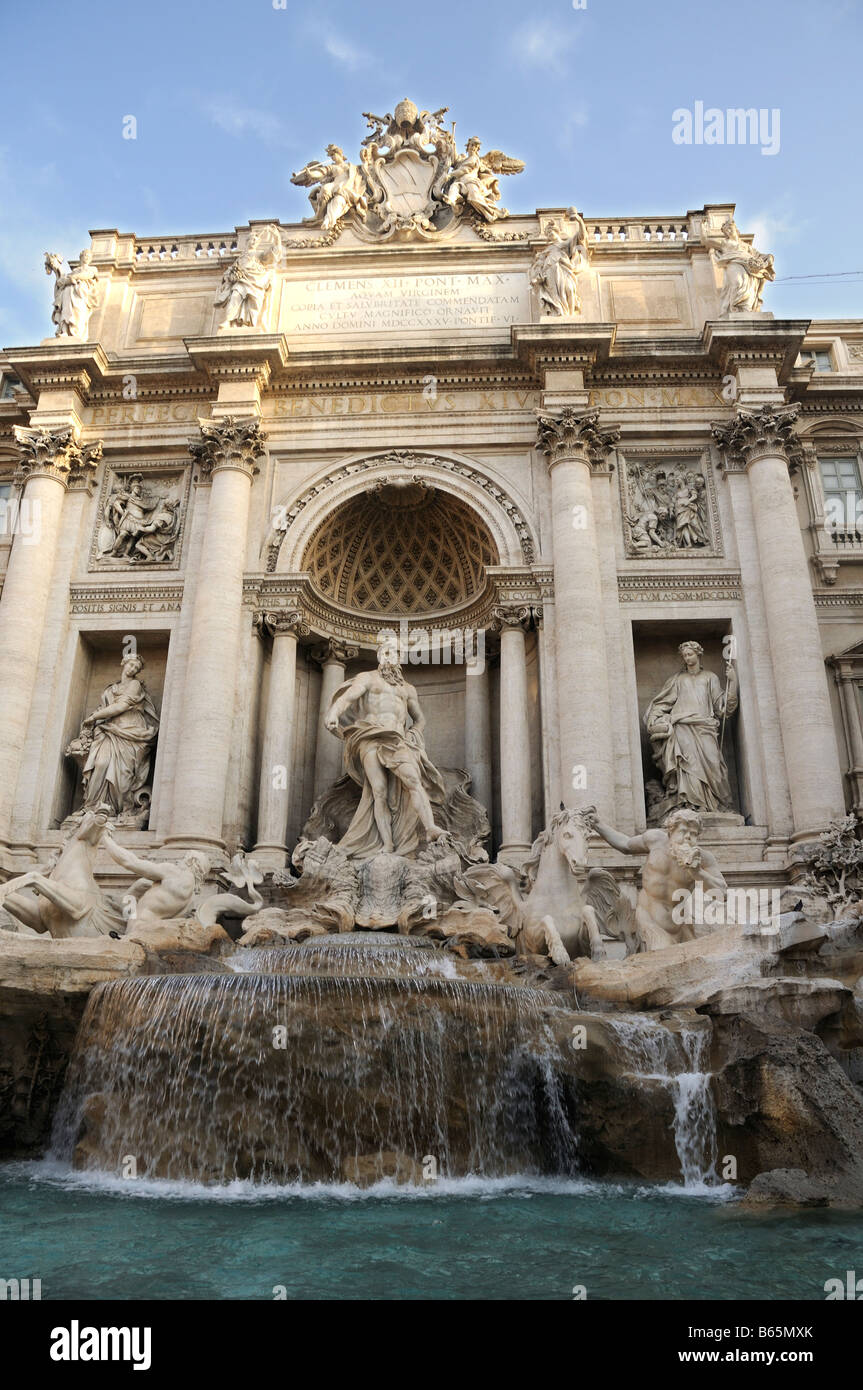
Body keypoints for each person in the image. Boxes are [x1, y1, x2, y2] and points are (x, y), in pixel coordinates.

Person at [324, 645, 447, 858]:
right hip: (369, 736)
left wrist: (414, 732)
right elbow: (348, 698)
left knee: (413, 780)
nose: (391, 657)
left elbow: (419, 719)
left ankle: (430, 829)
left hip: (397, 740)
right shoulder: (368, 678)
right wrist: (334, 712)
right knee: (378, 791)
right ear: (380, 656)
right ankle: (387, 843)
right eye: (386, 653)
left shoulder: (408, 689)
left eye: (395, 653)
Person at [588, 807, 727, 951]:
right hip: (649, 920)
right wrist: (599, 824)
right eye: (683, 831)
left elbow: (722, 893)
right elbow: (625, 844)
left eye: (693, 834)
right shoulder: (655, 840)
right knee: (665, 956)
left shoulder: (704, 859)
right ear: (671, 831)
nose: (688, 837)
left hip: (681, 925)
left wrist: (697, 872)